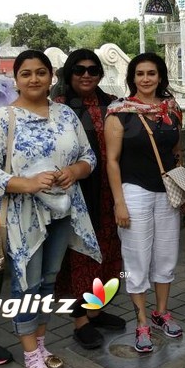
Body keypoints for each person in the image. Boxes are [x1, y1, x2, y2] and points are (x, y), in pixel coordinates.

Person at [0, 50, 100, 368]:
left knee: (48, 281)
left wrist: (75, 171)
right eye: (26, 73)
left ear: (51, 76)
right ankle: (30, 354)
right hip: (23, 216)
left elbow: (89, 156)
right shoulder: (5, 118)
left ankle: (41, 345)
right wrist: (26, 183)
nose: (34, 79)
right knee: (26, 285)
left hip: (63, 211)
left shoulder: (65, 114)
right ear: (15, 79)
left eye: (41, 72)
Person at [104, 53, 184, 353]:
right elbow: (112, 161)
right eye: (140, 74)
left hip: (166, 192)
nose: (146, 79)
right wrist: (119, 203)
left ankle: (161, 311)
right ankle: (140, 320)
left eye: (151, 73)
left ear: (160, 76)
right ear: (132, 78)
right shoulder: (119, 111)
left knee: (165, 254)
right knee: (136, 257)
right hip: (134, 192)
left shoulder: (172, 109)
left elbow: (176, 151)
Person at [52, 49, 126, 350]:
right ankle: (80, 320)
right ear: (69, 73)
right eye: (79, 70)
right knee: (79, 256)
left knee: (108, 253)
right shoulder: (58, 107)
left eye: (93, 70)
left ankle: (97, 310)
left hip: (109, 191)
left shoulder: (112, 104)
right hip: (77, 192)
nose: (86, 75)